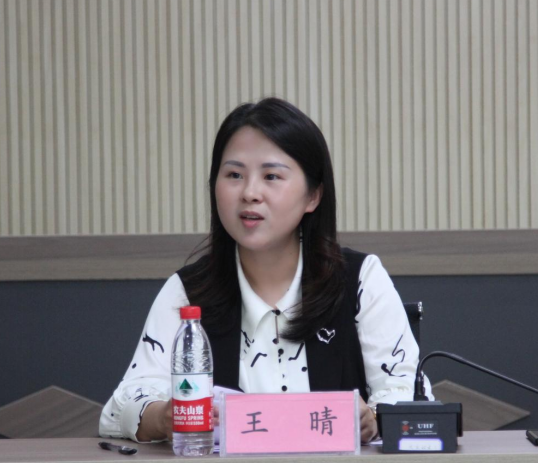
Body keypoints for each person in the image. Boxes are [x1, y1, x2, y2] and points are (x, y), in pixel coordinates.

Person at [99, 97, 433, 444]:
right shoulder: (189, 291)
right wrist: (162, 417)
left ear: (313, 196)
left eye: (271, 176)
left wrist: (374, 419)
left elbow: (408, 394)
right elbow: (119, 410)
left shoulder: (360, 279)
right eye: (234, 175)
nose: (250, 193)